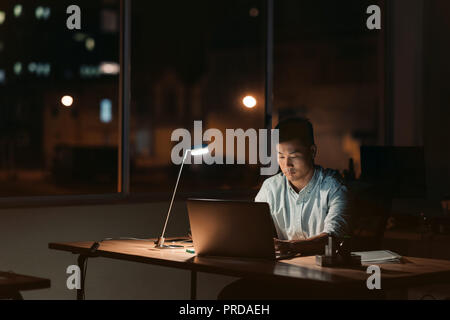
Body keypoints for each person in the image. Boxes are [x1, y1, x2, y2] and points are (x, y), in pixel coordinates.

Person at [218, 117, 350, 299]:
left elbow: (333, 239)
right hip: (280, 274)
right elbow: (254, 228)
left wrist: (291, 247)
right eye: (280, 156)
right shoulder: (271, 187)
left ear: (312, 151)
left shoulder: (333, 187)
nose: (286, 165)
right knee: (230, 296)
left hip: (322, 279)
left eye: (294, 156)